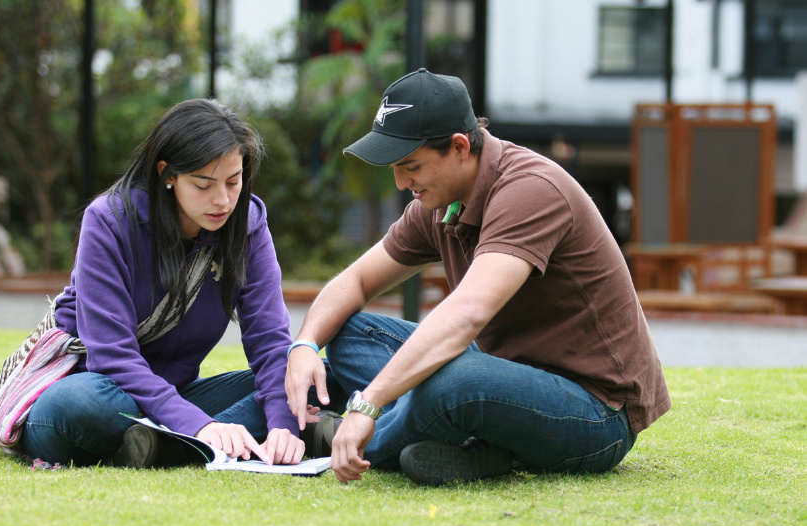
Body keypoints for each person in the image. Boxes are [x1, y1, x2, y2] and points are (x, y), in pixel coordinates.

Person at [285, 69, 672, 485]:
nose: (401, 183)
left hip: (596, 411)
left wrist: (368, 407)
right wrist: (305, 345)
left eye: (410, 165)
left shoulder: (530, 190)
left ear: (459, 147)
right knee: (352, 332)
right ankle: (480, 448)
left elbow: (468, 313)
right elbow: (356, 282)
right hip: (502, 377)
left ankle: (333, 437)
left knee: (456, 381)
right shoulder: (438, 201)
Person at [13, 98, 332, 468]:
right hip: (96, 391)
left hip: (175, 399)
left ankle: (163, 444)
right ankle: (193, 439)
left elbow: (269, 339)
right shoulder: (108, 221)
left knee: (316, 380)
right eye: (203, 185)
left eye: (234, 181)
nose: (223, 200)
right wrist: (197, 424)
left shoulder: (247, 225)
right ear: (168, 175)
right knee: (80, 403)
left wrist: (282, 424)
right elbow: (111, 357)